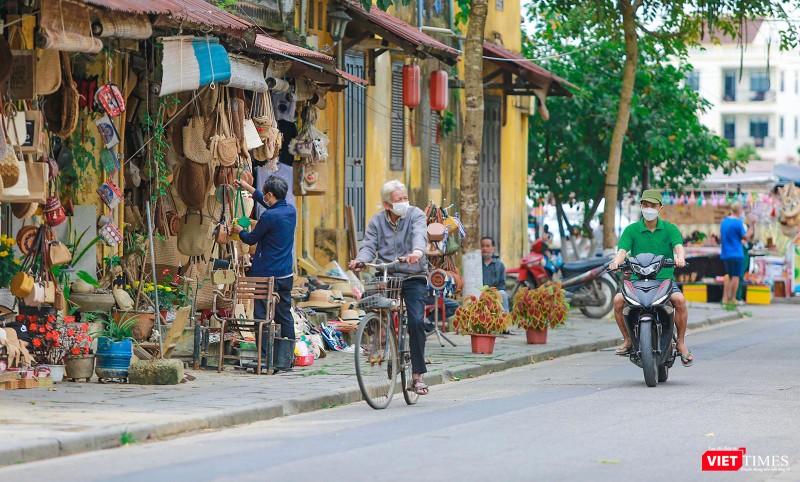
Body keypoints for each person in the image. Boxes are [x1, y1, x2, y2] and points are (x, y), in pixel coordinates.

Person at [348, 180, 430, 395]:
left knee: (415, 321)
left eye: (405, 198)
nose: (404, 203)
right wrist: (360, 260)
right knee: (368, 298)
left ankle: (417, 376)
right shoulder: (376, 221)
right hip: (388, 274)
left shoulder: (416, 214)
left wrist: (417, 253)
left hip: (414, 275)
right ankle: (381, 339)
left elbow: (420, 234)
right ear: (386, 205)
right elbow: (368, 246)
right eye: (398, 200)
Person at [609, 189, 693, 367]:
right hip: (636, 282)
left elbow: (678, 246)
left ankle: (681, 343)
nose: (649, 209)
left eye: (653, 205)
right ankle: (628, 340)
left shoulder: (670, 229)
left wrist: (680, 258)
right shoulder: (631, 230)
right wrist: (616, 261)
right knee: (617, 301)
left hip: (664, 281)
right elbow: (622, 251)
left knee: (679, 300)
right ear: (640, 206)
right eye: (645, 205)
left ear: (660, 208)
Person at [232, 177, 296, 369]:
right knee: (284, 315)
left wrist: (239, 230)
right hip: (285, 275)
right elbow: (267, 203)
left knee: (260, 315)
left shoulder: (268, 217)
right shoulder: (291, 211)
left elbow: (251, 239)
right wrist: (247, 187)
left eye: (265, 194)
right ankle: (286, 358)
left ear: (270, 195)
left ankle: (265, 357)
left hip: (266, 276)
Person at [720, 202, 753, 307]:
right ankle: (733, 299)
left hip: (726, 253)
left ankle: (725, 299)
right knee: (736, 276)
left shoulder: (724, 222)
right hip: (736, 253)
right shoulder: (737, 223)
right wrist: (752, 225)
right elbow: (746, 237)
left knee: (728, 276)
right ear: (739, 211)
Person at [480, 237, 509, 312]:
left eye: (487, 246)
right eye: (482, 246)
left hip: (495, 293)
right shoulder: (477, 265)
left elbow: (502, 284)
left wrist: (493, 293)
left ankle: (505, 319)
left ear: (493, 248)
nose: (485, 248)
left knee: (503, 293)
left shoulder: (499, 265)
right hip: (480, 293)